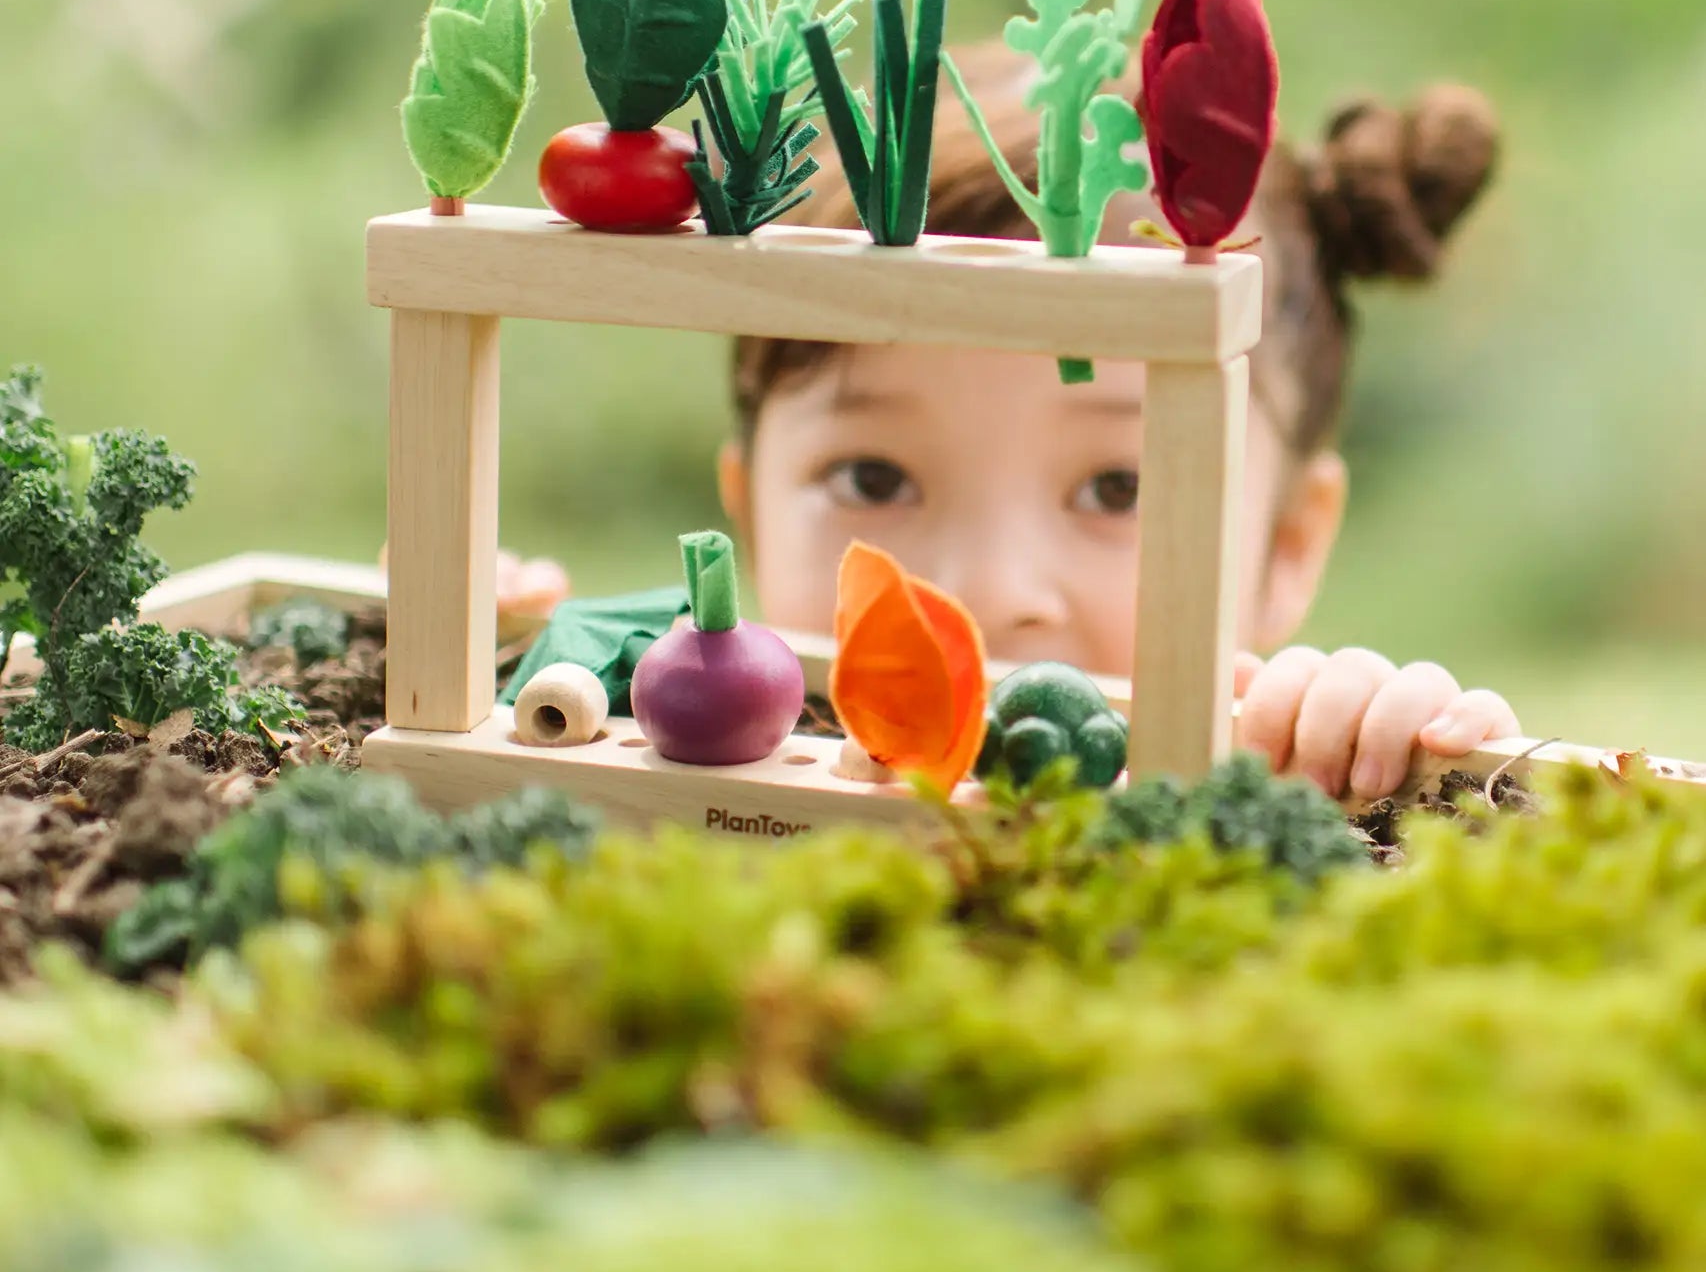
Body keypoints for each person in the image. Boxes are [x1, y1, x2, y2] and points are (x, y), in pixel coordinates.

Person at [501, 39, 1521, 802]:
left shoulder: (1268, 768)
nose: (983, 589)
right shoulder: (709, 763)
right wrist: (494, 647)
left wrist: (1383, 754)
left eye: (1118, 488)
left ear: (1286, 546)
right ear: (748, 513)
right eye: (870, 476)